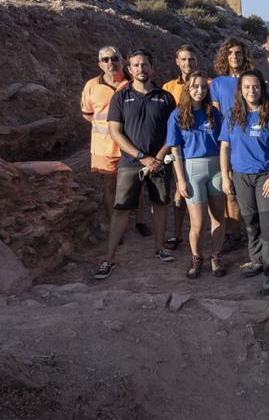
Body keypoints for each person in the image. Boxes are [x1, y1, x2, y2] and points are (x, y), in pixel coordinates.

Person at [96, 49, 176, 280]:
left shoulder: (165, 97)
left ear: (152, 68)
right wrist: (142, 156)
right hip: (131, 163)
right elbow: (115, 131)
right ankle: (109, 259)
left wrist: (159, 157)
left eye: (145, 64)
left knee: (160, 204)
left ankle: (160, 248)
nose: (141, 69)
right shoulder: (121, 97)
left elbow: (173, 132)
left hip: (159, 163)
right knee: (121, 209)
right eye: (136, 65)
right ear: (129, 69)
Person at [218, 70, 269, 293]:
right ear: (240, 90)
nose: (251, 90)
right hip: (240, 176)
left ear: (262, 88)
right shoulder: (232, 116)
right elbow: (225, 147)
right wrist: (225, 175)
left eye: (255, 86)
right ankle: (257, 260)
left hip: (265, 176)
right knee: (251, 223)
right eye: (247, 87)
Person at [80, 46, 148, 238]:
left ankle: (140, 221)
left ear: (122, 61)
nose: (111, 62)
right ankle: (115, 227)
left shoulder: (132, 83)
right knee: (109, 186)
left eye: (114, 58)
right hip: (104, 148)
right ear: (100, 64)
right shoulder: (91, 86)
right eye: (106, 59)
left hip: (131, 144)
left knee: (138, 184)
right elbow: (88, 114)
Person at [166, 70, 227, 278]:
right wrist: (180, 180)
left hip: (216, 168)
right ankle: (196, 257)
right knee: (198, 223)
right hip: (192, 170)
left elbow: (224, 143)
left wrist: (227, 173)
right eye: (195, 87)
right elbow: (175, 150)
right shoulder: (177, 115)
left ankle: (216, 256)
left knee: (218, 217)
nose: (199, 91)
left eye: (202, 87)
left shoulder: (213, 113)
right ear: (187, 88)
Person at [211, 38, 255, 252]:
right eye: (230, 53)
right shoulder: (218, 83)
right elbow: (216, 113)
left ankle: (252, 231)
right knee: (229, 189)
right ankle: (233, 232)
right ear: (225, 57)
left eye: (238, 52)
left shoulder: (250, 79)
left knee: (251, 187)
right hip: (229, 139)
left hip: (251, 140)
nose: (235, 57)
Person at [162, 44, 201, 251]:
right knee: (179, 192)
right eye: (183, 59)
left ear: (197, 61)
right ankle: (177, 234)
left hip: (202, 148)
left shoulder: (207, 84)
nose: (187, 63)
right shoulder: (169, 88)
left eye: (191, 59)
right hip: (179, 148)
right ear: (177, 62)